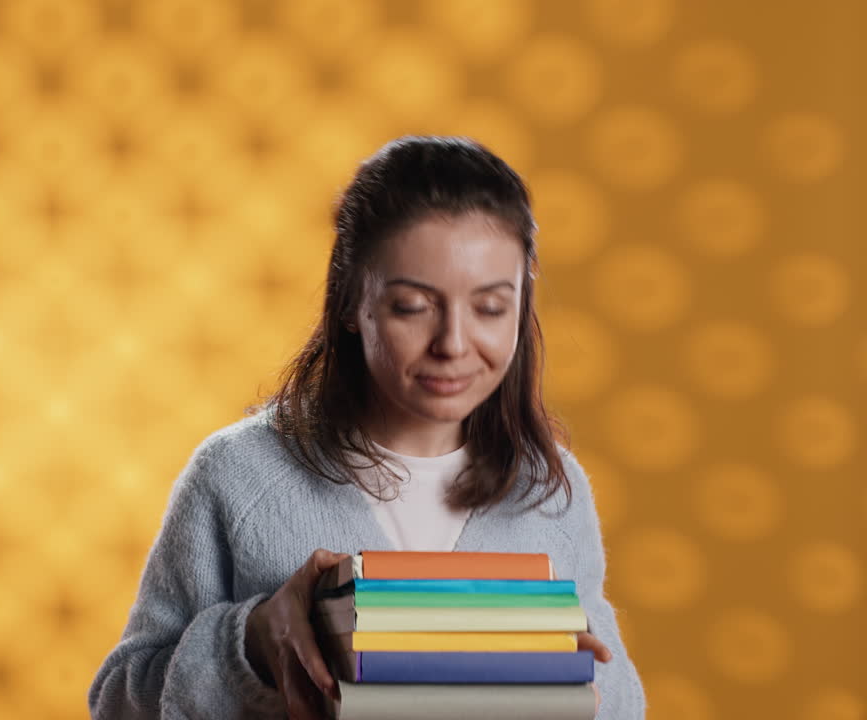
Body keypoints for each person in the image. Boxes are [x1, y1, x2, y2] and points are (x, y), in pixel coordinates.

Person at [89, 136, 646, 719]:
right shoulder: (238, 478)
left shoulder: (550, 490)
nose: (453, 344)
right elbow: (119, 702)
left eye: (489, 308)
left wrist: (563, 678)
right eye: (412, 306)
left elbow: (621, 704)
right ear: (354, 300)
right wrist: (250, 642)